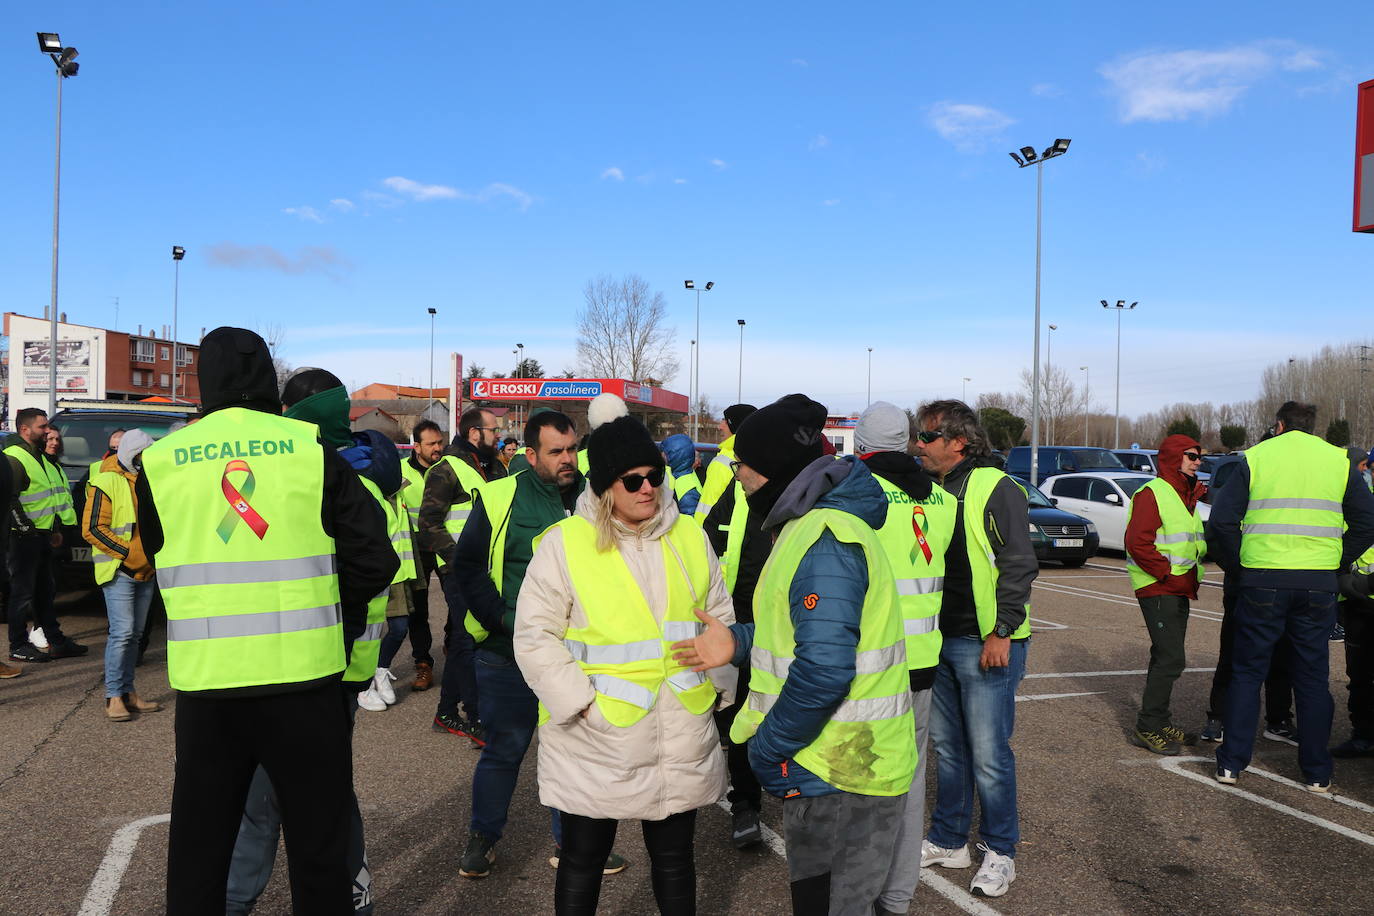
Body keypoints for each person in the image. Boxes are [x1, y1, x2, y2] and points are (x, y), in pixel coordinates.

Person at [137, 327, 397, 914]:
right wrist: (337, 619)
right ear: (266, 376)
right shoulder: (310, 449)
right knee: (319, 851)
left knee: (200, 851)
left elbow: (161, 558)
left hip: (208, 687)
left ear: (203, 377)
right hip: (305, 684)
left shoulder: (160, 460)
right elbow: (375, 558)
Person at [674, 393, 915, 916]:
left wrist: (766, 750)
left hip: (839, 770)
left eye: (742, 463)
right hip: (838, 764)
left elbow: (825, 668)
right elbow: (803, 637)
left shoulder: (824, 537)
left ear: (773, 467)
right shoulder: (810, 525)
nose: (735, 474)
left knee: (830, 905)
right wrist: (739, 642)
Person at [517, 409, 736, 916]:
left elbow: (718, 622)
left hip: (681, 728)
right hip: (597, 739)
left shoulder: (691, 539)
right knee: (582, 860)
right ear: (604, 486)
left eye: (654, 477)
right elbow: (534, 637)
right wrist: (581, 707)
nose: (647, 489)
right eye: (632, 480)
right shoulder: (565, 544)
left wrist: (717, 690)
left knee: (677, 859)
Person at [451, 408, 629, 880]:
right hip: (508, 653)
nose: (569, 459)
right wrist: (507, 620)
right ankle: (482, 839)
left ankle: (571, 844)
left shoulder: (598, 496)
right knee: (505, 749)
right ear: (530, 455)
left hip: (576, 657)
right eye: (557, 451)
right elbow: (467, 568)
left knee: (574, 751)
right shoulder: (499, 497)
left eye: (572, 448)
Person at [1209, 401, 1374, 791]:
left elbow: (1221, 521)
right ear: (1314, 427)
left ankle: (1231, 764)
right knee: (1312, 678)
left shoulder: (1257, 456)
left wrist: (1240, 567)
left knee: (1248, 673)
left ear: (1279, 425)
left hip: (1262, 579)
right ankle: (1317, 773)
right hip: (1317, 583)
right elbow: (1367, 523)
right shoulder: (1337, 461)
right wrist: (1335, 560)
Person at [912, 399, 1035, 899]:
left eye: (927, 436)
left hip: (983, 640)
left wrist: (1002, 630)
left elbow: (1018, 562)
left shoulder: (995, 486)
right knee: (949, 750)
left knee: (988, 753)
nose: (918, 444)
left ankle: (1000, 850)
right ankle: (948, 839)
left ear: (958, 441)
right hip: (939, 639)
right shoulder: (932, 488)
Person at [855, 402, 949, 916]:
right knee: (909, 782)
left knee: (861, 782)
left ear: (863, 444)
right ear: (908, 442)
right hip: (922, 661)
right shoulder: (941, 500)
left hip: (870, 664)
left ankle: (861, 894)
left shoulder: (855, 496)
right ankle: (897, 897)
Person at [419, 406, 507, 743]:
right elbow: (428, 525)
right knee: (470, 638)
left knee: (461, 637)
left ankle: (445, 712)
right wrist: (461, 561)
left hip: (490, 569)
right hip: (459, 570)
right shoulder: (446, 469)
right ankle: (475, 715)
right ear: (474, 433)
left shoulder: (496, 467)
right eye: (493, 429)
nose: (498, 435)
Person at [1123, 435, 1208, 755]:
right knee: (1172, 658)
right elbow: (1137, 542)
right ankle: (1147, 726)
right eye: (1191, 455)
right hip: (1160, 587)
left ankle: (1159, 720)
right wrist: (1166, 573)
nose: (1197, 461)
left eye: (1199, 456)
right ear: (1174, 457)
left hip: (1178, 588)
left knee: (1165, 656)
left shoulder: (1185, 494)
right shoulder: (1153, 493)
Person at [83, 429, 162, 721]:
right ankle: (113, 696)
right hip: (120, 571)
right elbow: (91, 528)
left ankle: (128, 693)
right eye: (142, 455)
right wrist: (129, 554)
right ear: (130, 455)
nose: (146, 461)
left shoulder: (151, 481)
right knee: (123, 634)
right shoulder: (107, 481)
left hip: (147, 572)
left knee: (135, 636)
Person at [6, 408, 87, 663]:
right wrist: (26, 529)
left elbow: (51, 499)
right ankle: (18, 645)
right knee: (21, 594)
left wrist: (53, 531)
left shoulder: (42, 458)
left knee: (44, 592)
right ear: (25, 430)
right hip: (22, 538)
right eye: (42, 427)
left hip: (41, 536)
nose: (47, 431)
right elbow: (10, 500)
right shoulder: (15, 456)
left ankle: (56, 641)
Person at [401, 419, 445, 691]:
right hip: (415, 549)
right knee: (417, 609)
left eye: (440, 442)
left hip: (443, 545)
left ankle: (452, 641)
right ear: (416, 446)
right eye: (431, 444)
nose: (438, 448)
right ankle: (423, 664)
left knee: (459, 602)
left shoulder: (449, 469)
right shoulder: (400, 470)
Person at [694, 403, 755, 519]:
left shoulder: (722, 462)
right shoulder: (755, 457)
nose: (720, 427)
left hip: (708, 534)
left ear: (736, 426)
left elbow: (708, 509)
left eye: (725, 422)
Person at [661, 433, 701, 517]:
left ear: (675, 457)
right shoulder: (682, 476)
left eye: (665, 454)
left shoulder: (687, 487)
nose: (662, 456)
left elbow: (691, 522)